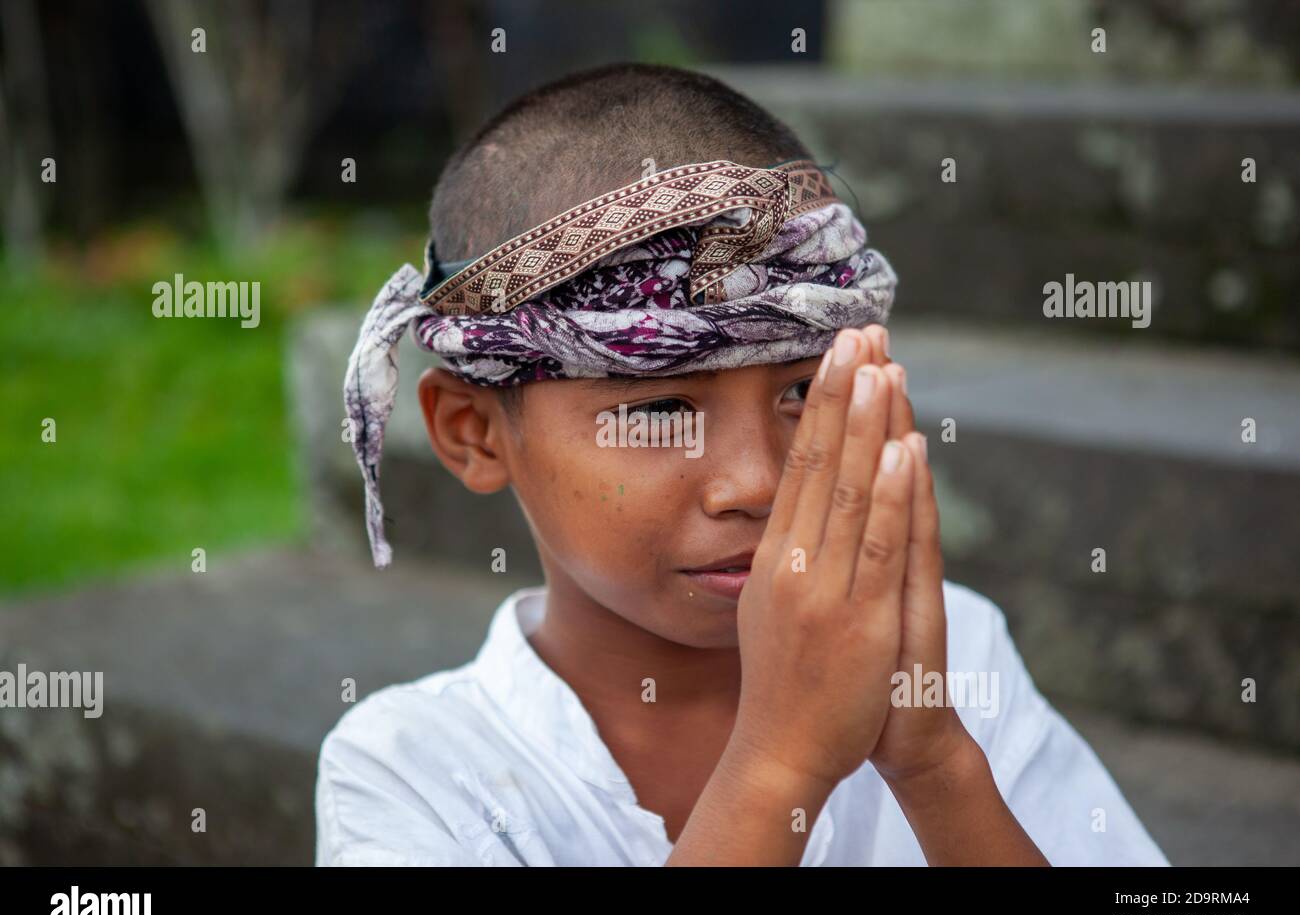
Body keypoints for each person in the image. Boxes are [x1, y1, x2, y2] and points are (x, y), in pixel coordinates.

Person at [316, 62, 1168, 866]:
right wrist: (780, 764)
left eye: (805, 392)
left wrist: (938, 764)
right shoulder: (410, 772)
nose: (757, 482)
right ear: (476, 432)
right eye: (658, 409)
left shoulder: (951, 651)